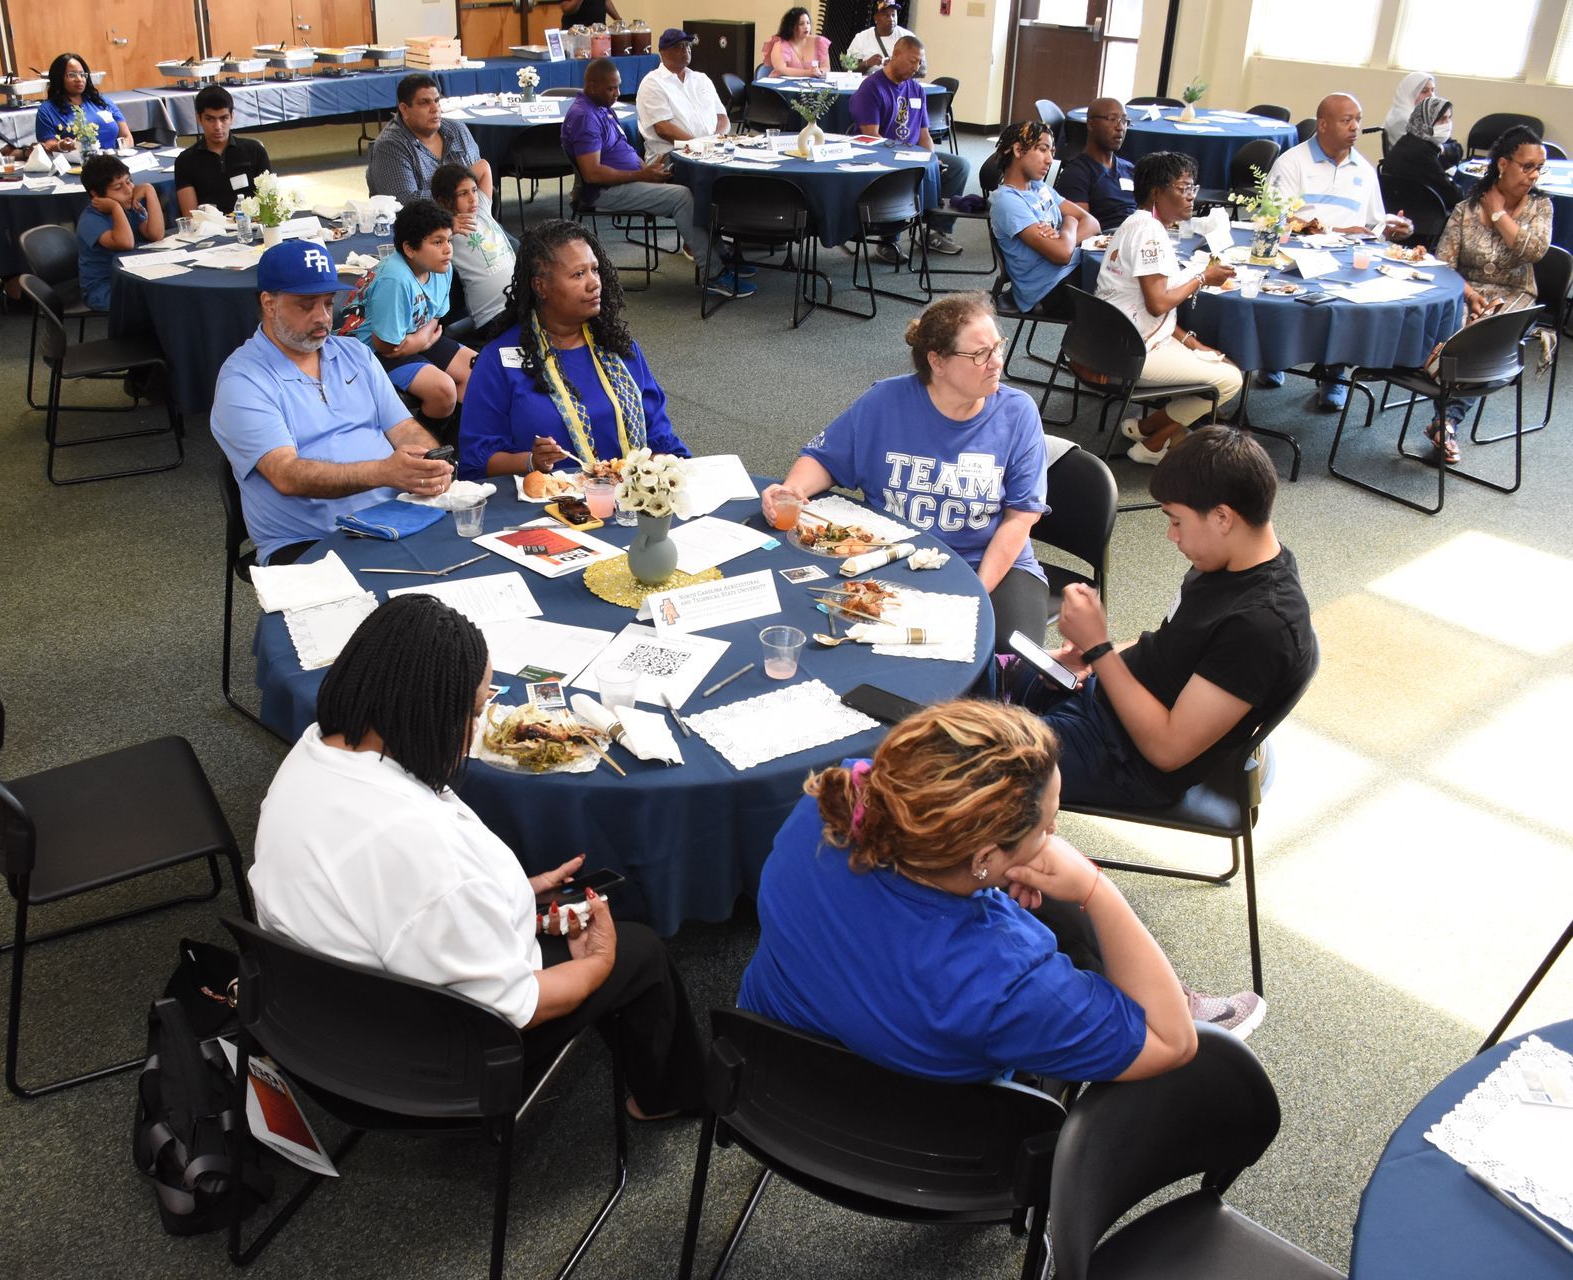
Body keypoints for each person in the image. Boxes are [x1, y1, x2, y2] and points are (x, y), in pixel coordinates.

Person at [251, 593, 705, 1120]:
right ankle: (667, 1097)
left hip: (313, 1014)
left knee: (565, 910)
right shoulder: (428, 854)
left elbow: (402, 895)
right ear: (431, 713)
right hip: (414, 1063)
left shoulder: (313, 753)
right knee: (641, 949)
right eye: (474, 709)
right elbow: (516, 1005)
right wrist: (600, 964)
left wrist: (512, 892)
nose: (478, 723)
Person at [737, 699, 1223, 1087]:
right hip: (920, 1125)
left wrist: (984, 879)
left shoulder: (829, 803)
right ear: (983, 854)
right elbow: (1173, 1043)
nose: (1055, 831)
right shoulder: (1010, 977)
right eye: (1048, 825)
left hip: (774, 1066)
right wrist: (1098, 888)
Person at [1010, 427, 1316, 813]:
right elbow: (1170, 644)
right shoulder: (1228, 560)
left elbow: (1167, 751)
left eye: (1177, 521)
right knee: (978, 678)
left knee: (960, 766)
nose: (1172, 536)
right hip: (1102, 699)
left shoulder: (1260, 629)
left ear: (1222, 517)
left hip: (1125, 761)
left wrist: (1100, 649)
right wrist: (1087, 659)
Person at [759, 292, 1049, 650]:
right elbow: (824, 458)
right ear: (937, 362)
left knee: (1005, 653)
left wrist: (976, 593)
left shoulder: (1017, 413)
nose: (997, 363)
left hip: (988, 565)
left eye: (998, 347)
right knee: (830, 631)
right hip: (893, 560)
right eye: (980, 354)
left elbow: (1021, 518)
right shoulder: (885, 402)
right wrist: (791, 490)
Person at [210, 241, 454, 565]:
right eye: (306, 305)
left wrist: (428, 464)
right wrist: (385, 472)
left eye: (327, 303)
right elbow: (286, 475)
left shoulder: (355, 353)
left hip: (395, 517)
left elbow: (404, 427)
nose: (323, 318)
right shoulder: (242, 381)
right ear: (269, 304)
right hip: (311, 542)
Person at [460, 220, 689, 481]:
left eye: (595, 270)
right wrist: (531, 461)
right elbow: (476, 462)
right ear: (541, 286)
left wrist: (660, 464)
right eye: (578, 274)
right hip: (547, 509)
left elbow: (659, 436)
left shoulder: (619, 349)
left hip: (628, 501)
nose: (594, 283)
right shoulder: (499, 360)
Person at [1265, 93, 1414, 408]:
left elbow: (1374, 223)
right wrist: (1333, 232)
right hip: (1297, 255)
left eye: (1358, 119)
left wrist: (1391, 228)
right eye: (1347, 120)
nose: (1356, 127)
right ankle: (1273, 357)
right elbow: (1278, 220)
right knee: (1286, 299)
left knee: (1351, 305)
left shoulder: (1364, 169)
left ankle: (1335, 375)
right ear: (1322, 124)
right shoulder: (1292, 162)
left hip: (1348, 261)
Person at [1094, 151, 1242, 466]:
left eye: (1193, 189)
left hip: (1121, 338)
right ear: (1157, 192)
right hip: (1134, 352)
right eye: (1182, 188)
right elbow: (1158, 302)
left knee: (1218, 360)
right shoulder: (1151, 233)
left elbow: (1148, 306)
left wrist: (1191, 342)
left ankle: (1145, 427)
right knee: (1231, 379)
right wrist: (1204, 277)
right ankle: (1154, 441)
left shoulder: (1136, 223)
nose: (1190, 197)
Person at [562, 59, 753, 297]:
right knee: (682, 197)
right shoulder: (584, 117)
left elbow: (623, 152)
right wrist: (643, 175)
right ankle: (713, 274)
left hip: (631, 178)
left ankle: (721, 252)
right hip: (603, 192)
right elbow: (592, 173)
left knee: (695, 175)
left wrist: (649, 171)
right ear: (591, 86)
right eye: (611, 88)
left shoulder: (602, 107)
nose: (618, 93)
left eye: (618, 87)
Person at [1427, 126, 1554, 464]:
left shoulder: (1540, 207)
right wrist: (1468, 295)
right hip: (1464, 290)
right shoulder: (1466, 209)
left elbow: (1534, 250)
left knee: (1481, 335)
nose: (1534, 175)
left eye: (1539, 168)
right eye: (1527, 166)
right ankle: (1445, 417)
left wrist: (1498, 214)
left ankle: (1447, 420)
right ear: (1502, 164)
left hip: (1515, 296)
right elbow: (1442, 265)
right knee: (1457, 327)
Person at [339, 199, 475, 428]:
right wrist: (422, 341)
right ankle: (428, 450)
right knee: (442, 390)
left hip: (412, 335)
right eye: (437, 242)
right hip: (368, 353)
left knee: (477, 370)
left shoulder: (442, 267)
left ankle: (460, 444)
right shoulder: (395, 279)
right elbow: (386, 346)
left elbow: (436, 316)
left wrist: (420, 340)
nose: (448, 249)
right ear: (410, 249)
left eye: (449, 240)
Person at [848, 36, 969, 260]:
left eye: (919, 62)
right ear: (895, 55)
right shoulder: (871, 88)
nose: (916, 68)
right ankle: (888, 239)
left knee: (958, 166)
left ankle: (934, 231)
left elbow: (924, 135)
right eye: (912, 61)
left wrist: (931, 160)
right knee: (903, 176)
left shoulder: (916, 90)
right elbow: (872, 138)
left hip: (912, 155)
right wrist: (907, 158)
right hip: (880, 157)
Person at [989, 121, 1099, 317]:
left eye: (1052, 152)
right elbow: (1062, 254)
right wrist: (1069, 224)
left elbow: (1092, 223)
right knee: (1127, 289)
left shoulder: (1039, 187)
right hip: (1050, 289)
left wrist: (1063, 236)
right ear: (1018, 150)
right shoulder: (1007, 201)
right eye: (1042, 150)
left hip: (1071, 271)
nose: (1050, 160)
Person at [365, 75, 491, 205]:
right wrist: (458, 190)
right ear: (404, 110)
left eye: (437, 101)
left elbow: (479, 184)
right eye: (425, 102)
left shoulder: (457, 130)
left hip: (470, 219)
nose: (435, 109)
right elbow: (406, 203)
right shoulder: (389, 146)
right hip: (422, 223)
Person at [431, 163, 517, 335]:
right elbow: (420, 233)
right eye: (463, 194)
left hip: (522, 298)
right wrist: (447, 222)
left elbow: (484, 166)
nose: (473, 199)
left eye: (474, 190)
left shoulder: (483, 208)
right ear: (444, 200)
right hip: (493, 315)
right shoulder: (444, 231)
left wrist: (461, 178)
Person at [75, 154, 164, 312]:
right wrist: (115, 208)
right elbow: (125, 243)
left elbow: (155, 234)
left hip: (133, 277)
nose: (129, 190)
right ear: (95, 194)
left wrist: (150, 192)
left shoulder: (129, 208)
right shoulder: (90, 220)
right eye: (118, 187)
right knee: (157, 302)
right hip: (104, 288)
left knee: (164, 295)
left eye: (129, 181)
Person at [175, 84, 270, 216]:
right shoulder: (185, 160)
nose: (218, 126)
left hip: (252, 226)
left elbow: (269, 203)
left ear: (232, 117)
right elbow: (190, 216)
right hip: (209, 231)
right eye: (210, 119)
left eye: (223, 118)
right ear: (199, 119)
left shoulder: (254, 151)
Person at [636, 28, 729, 161]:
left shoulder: (701, 79)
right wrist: (700, 147)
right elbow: (663, 129)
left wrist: (716, 141)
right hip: (673, 155)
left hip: (712, 150)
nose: (686, 49)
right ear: (663, 52)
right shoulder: (652, 83)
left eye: (687, 44)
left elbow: (722, 117)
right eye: (678, 46)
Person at [1054, 97, 1137, 231]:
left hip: (1140, 236)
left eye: (1124, 120)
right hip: (1104, 244)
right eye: (1112, 119)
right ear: (1091, 124)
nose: (1120, 127)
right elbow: (1080, 229)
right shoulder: (1076, 174)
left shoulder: (1129, 168)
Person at [1381, 96, 1463, 215]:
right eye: (1442, 119)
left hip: (1407, 208)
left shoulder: (1414, 138)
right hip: (1419, 216)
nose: (1447, 124)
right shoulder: (1421, 152)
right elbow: (1453, 197)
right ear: (1426, 120)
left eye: (1449, 118)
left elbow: (1457, 149)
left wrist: (1443, 149)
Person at [34, 52, 129, 154]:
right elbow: (48, 146)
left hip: (115, 161)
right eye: (72, 75)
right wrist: (61, 145)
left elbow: (126, 136)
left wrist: (124, 154)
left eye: (82, 74)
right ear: (59, 78)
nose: (79, 79)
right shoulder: (47, 110)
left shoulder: (102, 102)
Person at [845, 0, 917, 73]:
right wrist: (867, 63)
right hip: (870, 83)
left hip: (899, 83)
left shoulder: (908, 37)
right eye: (886, 15)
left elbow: (923, 70)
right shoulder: (862, 38)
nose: (891, 19)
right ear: (875, 18)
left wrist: (899, 65)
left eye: (893, 15)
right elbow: (846, 65)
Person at [762, 7, 831, 77]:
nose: (806, 27)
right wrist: (809, 73)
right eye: (801, 24)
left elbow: (826, 68)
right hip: (784, 85)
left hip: (812, 86)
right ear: (791, 26)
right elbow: (781, 69)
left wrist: (820, 71)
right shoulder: (780, 44)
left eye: (808, 23)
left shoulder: (819, 42)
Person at [1381, 70, 1435, 151]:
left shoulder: (1422, 116)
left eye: (1433, 90)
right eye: (1424, 91)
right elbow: (1427, 152)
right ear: (1410, 93)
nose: (1431, 95)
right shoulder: (1403, 119)